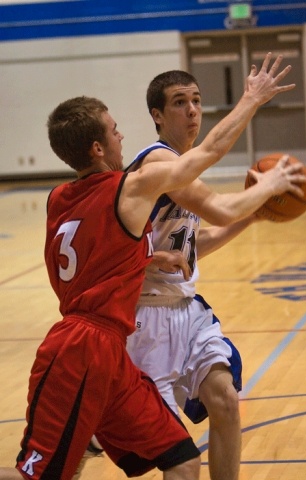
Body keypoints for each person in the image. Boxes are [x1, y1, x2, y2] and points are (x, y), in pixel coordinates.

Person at [0, 93, 268, 480]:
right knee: (35, 477)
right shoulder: (125, 189)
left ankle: (91, 439)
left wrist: (149, 257)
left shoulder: (59, 198)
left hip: (110, 354)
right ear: (97, 148)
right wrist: (269, 166)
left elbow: (94, 255)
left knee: (183, 459)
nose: (121, 136)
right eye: (113, 131)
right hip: (82, 349)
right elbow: (207, 153)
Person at [123, 54, 306, 480]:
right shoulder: (157, 162)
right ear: (156, 114)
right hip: (144, 320)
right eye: (178, 102)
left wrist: (253, 216)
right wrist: (251, 100)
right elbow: (220, 207)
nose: (191, 111)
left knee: (224, 398)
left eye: (196, 101)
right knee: (172, 454)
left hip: (186, 310)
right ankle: (78, 442)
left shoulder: (181, 164)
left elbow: (192, 247)